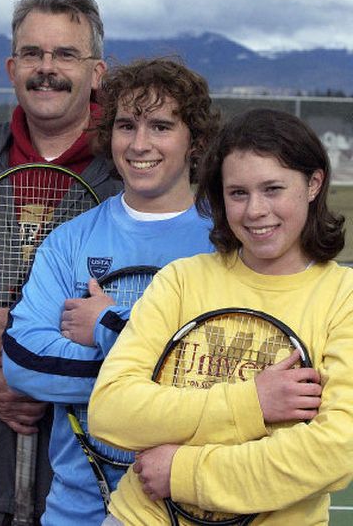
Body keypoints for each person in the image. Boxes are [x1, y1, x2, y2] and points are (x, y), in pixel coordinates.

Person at [89, 108, 352, 526]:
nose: (255, 211)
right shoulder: (181, 280)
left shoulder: (343, 298)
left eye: (273, 189)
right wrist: (254, 402)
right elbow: (111, 411)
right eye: (238, 193)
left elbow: (336, 450)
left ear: (314, 184)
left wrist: (183, 473)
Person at [2, 57, 221, 526]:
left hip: (191, 509)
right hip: (75, 510)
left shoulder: (227, 242)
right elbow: (23, 362)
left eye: (161, 126)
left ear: (196, 141)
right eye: (126, 125)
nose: (140, 144)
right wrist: (168, 382)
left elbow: (233, 377)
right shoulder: (69, 240)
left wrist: (102, 330)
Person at [0, 0, 121, 526]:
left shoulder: (135, 183)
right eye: (33, 53)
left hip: (92, 493)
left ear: (98, 72)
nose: (47, 68)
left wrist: (34, 352)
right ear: (11, 66)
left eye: (66, 54)